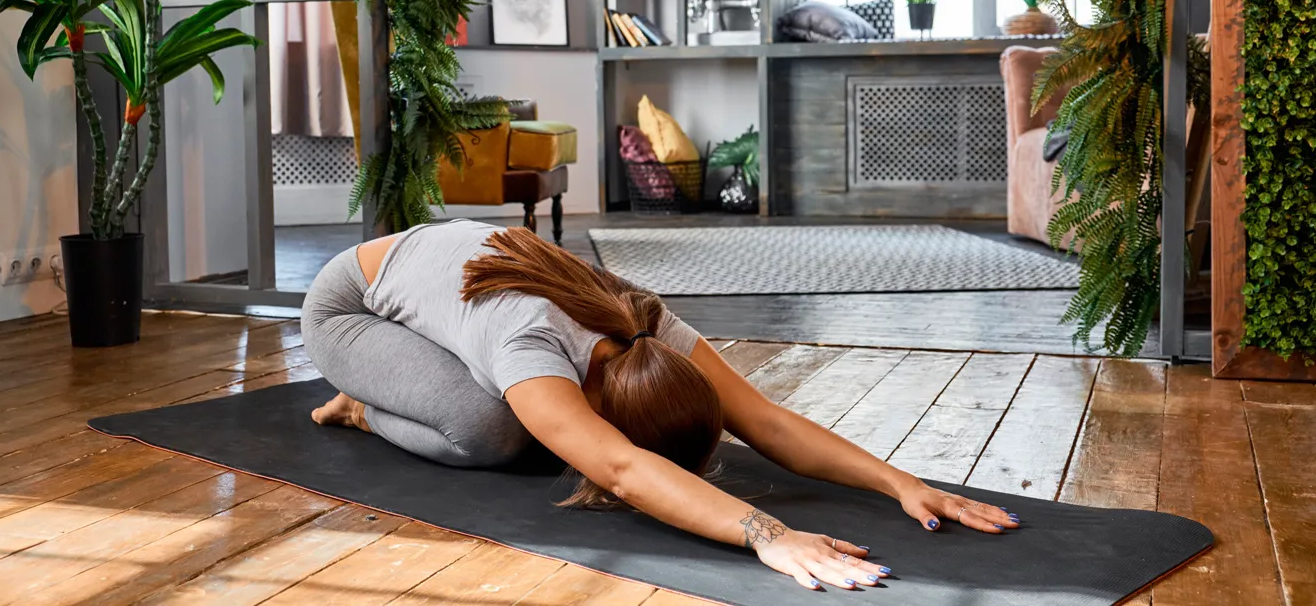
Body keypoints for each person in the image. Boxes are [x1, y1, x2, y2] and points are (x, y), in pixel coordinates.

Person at [301, 220, 1019, 591]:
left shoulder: (644, 324)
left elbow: (764, 420)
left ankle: (403, 383)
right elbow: (619, 470)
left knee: (526, 422)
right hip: (350, 308)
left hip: (448, 297)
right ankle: (362, 405)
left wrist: (902, 484)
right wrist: (767, 534)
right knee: (495, 433)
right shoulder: (528, 347)